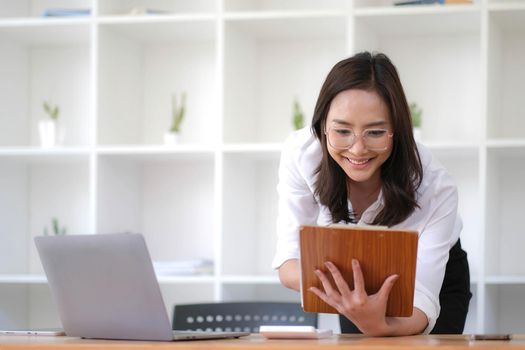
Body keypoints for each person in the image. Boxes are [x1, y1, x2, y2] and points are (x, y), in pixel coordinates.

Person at [272, 51, 471, 336]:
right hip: (350, 275)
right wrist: (344, 292)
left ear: (397, 130)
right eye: (342, 131)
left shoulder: (435, 187)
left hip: (430, 274)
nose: (357, 149)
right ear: (322, 126)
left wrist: (376, 323)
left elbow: (422, 304)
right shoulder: (302, 154)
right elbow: (289, 261)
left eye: (375, 133)